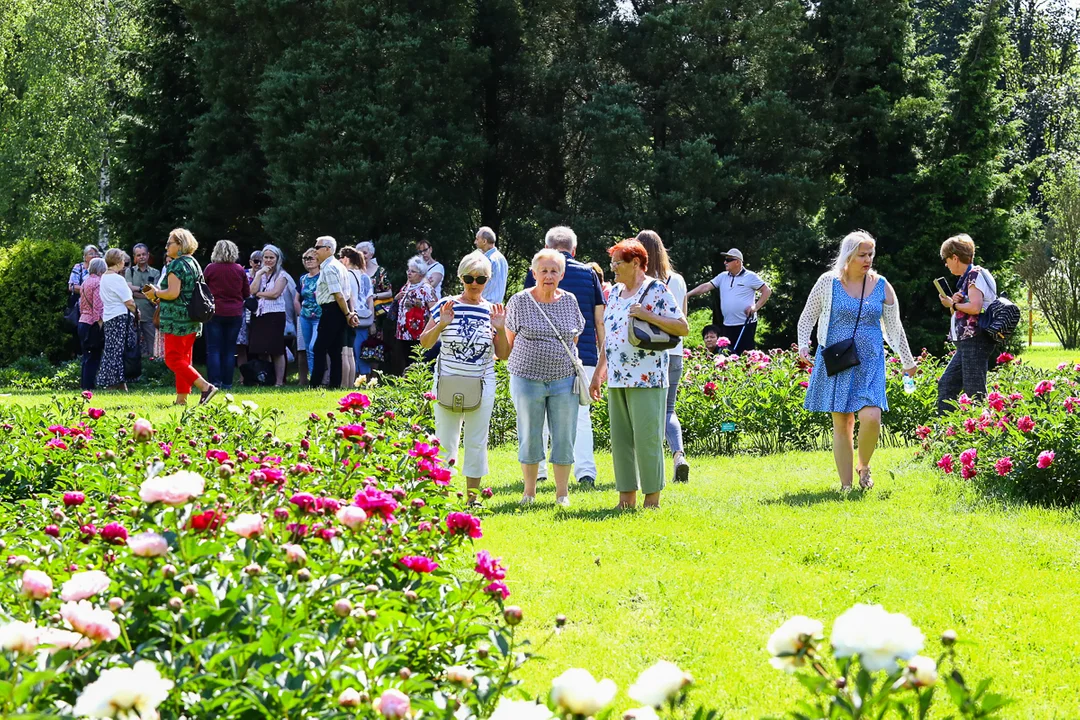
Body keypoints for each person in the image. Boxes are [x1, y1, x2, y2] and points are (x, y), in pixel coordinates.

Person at [797, 230, 917, 490]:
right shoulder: (828, 282)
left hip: (871, 361)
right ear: (848, 256)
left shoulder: (881, 285)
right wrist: (804, 347)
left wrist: (908, 361)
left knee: (871, 415)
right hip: (838, 359)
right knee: (843, 422)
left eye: (871, 254)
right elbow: (808, 316)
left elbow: (894, 328)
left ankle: (864, 465)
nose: (867, 260)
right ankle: (846, 486)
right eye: (862, 254)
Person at [590, 239, 689, 509]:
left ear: (636, 263)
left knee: (646, 439)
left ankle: (652, 500)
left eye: (617, 263)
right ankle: (626, 499)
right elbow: (610, 337)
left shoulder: (655, 289)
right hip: (618, 378)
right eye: (611, 263)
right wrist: (599, 372)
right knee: (621, 441)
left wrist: (649, 315)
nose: (613, 269)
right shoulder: (615, 292)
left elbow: (682, 327)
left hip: (648, 378)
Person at [419, 251, 510, 502]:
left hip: (482, 383)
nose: (474, 284)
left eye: (480, 279)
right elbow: (425, 343)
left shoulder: (494, 311)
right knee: (444, 439)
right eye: (469, 278)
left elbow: (503, 354)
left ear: (488, 280)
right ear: (461, 277)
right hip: (447, 380)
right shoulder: (446, 305)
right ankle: (441, 496)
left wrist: (500, 329)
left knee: (476, 440)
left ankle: (472, 498)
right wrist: (441, 324)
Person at [524, 226, 606, 488]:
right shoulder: (589, 274)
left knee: (539, 414)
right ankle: (586, 472)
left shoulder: (535, 272)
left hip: (540, 355)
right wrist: (603, 356)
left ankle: (538, 471)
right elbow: (599, 319)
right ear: (574, 249)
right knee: (581, 417)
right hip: (582, 355)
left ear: (547, 248)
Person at [506, 249, 586, 506]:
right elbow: (509, 342)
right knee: (529, 434)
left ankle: (562, 494)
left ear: (562, 274)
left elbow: (574, 337)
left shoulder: (570, 300)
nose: (549, 276)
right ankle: (529, 492)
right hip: (527, 378)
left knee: (565, 436)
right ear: (534, 274)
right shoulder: (519, 301)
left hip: (564, 380)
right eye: (544, 271)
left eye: (554, 271)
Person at [636, 230, 691, 483]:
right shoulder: (677, 280)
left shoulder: (640, 281)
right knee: (669, 409)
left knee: (646, 411)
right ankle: (678, 454)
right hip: (675, 351)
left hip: (648, 351)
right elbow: (683, 318)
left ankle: (649, 464)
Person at [144, 228, 218, 405]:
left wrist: (156, 292)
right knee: (184, 359)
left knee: (173, 359)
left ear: (180, 245)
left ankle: (206, 387)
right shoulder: (193, 262)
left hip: (177, 320)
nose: (166, 246)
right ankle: (181, 399)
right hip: (192, 318)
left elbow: (172, 293)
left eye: (170, 243)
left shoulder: (176, 264)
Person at [936, 234, 999, 414]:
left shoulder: (974, 275)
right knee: (947, 384)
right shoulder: (971, 276)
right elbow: (971, 305)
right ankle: (947, 434)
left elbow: (976, 307)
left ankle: (981, 435)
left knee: (975, 392)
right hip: (968, 342)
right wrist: (957, 300)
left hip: (975, 339)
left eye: (946, 260)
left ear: (955, 257)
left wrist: (953, 304)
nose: (946, 264)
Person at [686, 248, 771, 354]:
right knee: (728, 355)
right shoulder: (722, 276)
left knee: (745, 355)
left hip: (745, 323)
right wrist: (688, 295)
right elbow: (706, 287)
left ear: (737, 262)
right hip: (728, 324)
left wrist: (755, 307)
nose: (725, 262)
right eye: (725, 259)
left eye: (728, 259)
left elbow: (766, 291)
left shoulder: (750, 276)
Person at [310, 236, 360, 388]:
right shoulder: (338, 266)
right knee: (335, 350)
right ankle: (334, 384)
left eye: (317, 247)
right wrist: (348, 313)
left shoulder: (330, 267)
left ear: (328, 249)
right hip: (338, 310)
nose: (315, 250)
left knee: (319, 348)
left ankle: (315, 384)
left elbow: (338, 294)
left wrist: (347, 314)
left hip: (332, 310)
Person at [204, 240, 250, 389]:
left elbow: (202, 289)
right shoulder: (239, 269)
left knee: (213, 348)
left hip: (214, 312)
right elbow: (246, 293)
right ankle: (227, 383)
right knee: (230, 349)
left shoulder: (211, 268)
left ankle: (214, 382)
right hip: (235, 313)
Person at [247, 244, 289, 386]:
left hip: (275, 315)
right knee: (261, 348)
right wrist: (258, 274)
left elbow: (275, 293)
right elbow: (251, 290)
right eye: (266, 257)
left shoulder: (282, 275)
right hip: (259, 314)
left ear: (277, 259)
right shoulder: (260, 274)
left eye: (272, 257)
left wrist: (259, 294)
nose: (268, 260)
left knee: (276, 349)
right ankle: (266, 378)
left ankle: (279, 381)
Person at [96, 249, 138, 391]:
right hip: (121, 318)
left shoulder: (104, 278)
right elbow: (129, 302)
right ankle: (113, 383)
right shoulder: (117, 279)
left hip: (109, 317)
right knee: (121, 351)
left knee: (112, 350)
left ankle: (120, 385)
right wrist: (137, 313)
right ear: (119, 262)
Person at [394, 255, 438, 375]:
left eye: (413, 271)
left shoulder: (426, 289)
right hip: (403, 333)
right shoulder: (406, 287)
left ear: (421, 274)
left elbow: (435, 311)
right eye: (408, 270)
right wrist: (397, 298)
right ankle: (407, 382)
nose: (409, 273)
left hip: (419, 333)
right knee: (406, 359)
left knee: (418, 360)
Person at [340, 246, 375, 379]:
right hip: (364, 315)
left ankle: (356, 379)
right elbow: (370, 299)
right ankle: (362, 378)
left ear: (347, 259)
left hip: (352, 313)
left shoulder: (347, 275)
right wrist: (372, 319)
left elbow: (351, 297)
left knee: (352, 350)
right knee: (361, 350)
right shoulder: (364, 276)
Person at [359, 240, 393, 371]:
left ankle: (373, 377)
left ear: (371, 254)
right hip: (359, 312)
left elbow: (389, 292)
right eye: (360, 252)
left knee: (374, 344)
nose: (362, 255)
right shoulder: (355, 271)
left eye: (365, 252)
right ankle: (359, 376)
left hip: (376, 314)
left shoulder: (380, 271)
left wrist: (374, 296)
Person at [124, 243, 159, 357]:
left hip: (150, 314)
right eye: (138, 255)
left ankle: (153, 369)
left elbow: (156, 293)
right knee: (133, 346)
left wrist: (137, 292)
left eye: (144, 254)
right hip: (134, 315)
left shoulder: (155, 272)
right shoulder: (130, 271)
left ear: (148, 255)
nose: (141, 257)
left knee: (152, 345)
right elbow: (128, 288)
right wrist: (145, 290)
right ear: (134, 257)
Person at [77, 257, 107, 391]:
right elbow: (98, 307)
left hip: (82, 321)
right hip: (92, 323)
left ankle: (84, 385)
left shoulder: (85, 282)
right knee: (94, 357)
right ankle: (89, 387)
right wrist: (100, 324)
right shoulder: (98, 283)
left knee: (86, 357)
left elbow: (80, 304)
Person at [294, 248, 321, 385]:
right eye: (305, 258)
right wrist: (300, 314)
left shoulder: (323, 276)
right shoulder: (303, 278)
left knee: (313, 347)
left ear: (318, 260)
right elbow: (297, 299)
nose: (308, 261)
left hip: (319, 316)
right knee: (307, 350)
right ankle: (313, 381)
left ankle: (321, 377)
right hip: (305, 317)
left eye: (311, 258)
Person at [236, 250, 263, 374]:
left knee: (260, 345)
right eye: (256, 261)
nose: (259, 264)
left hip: (260, 311)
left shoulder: (267, 275)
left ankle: (263, 374)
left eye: (261, 261)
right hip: (243, 311)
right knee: (241, 346)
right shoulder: (243, 273)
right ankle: (243, 376)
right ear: (250, 262)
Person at [474, 226, 508, 304]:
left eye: (477, 239)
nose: (475, 242)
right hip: (497, 308)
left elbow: (479, 284)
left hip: (484, 306)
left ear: (484, 241)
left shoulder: (487, 260)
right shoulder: (502, 258)